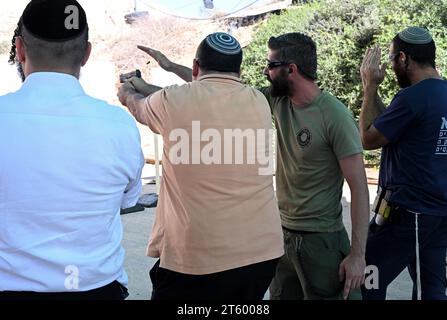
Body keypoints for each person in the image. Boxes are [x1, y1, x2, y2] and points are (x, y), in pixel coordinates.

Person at [130, 32, 370, 300]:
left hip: (321, 240)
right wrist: (170, 68)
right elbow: (213, 90)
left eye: (270, 65)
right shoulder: (275, 100)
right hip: (282, 237)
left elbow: (359, 187)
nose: (265, 72)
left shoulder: (334, 116)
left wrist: (358, 255)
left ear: (291, 69)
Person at [117, 32, 284, 300]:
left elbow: (141, 106)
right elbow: (199, 96)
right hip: (261, 255)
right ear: (239, 70)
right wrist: (162, 74)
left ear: (195, 67)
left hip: (199, 261)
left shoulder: (173, 102)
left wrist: (127, 90)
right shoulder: (257, 101)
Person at [0, 0, 144, 300]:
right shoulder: (119, 125)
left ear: (20, 49)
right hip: (96, 290)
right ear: (86, 54)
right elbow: (127, 199)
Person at [359, 26, 447, 300]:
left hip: (409, 214)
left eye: (391, 58)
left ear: (404, 59)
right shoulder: (435, 94)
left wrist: (370, 87)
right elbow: (391, 127)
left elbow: (369, 138)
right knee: (431, 289)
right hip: (438, 214)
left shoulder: (412, 98)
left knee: (367, 278)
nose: (390, 65)